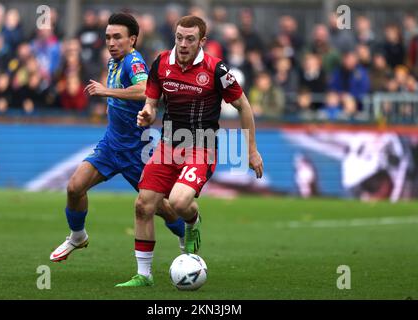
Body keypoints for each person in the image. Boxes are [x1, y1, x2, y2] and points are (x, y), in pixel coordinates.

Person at [116, 15, 263, 287]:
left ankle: (193, 220)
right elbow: (151, 101)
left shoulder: (217, 70)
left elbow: (244, 106)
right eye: (179, 38)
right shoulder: (161, 62)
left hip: (202, 146)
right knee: (143, 205)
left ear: (202, 41)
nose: (183, 44)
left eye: (190, 39)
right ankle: (143, 275)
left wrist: (251, 151)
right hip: (168, 144)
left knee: (179, 202)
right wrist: (147, 114)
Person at [50, 12, 185, 262]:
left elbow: (146, 89)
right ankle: (77, 236)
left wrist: (106, 92)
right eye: (108, 37)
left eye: (117, 37)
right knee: (74, 187)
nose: (111, 43)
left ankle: (184, 236)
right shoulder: (114, 61)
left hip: (136, 152)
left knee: (162, 209)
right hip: (112, 145)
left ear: (132, 40)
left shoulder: (133, 61)